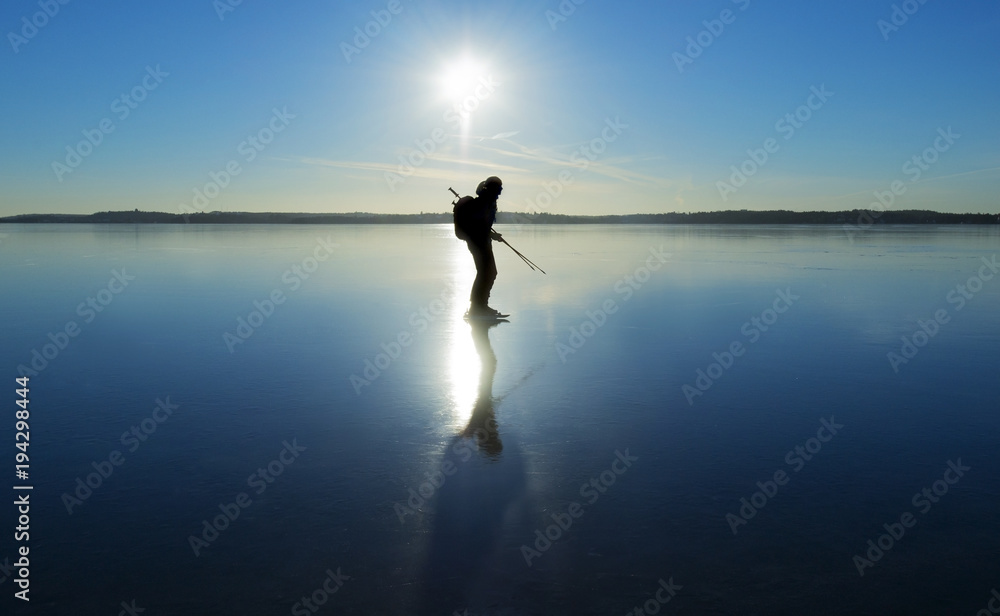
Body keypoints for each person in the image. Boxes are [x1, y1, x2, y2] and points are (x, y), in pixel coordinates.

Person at [457, 176, 504, 316]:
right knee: (486, 273)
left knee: (488, 273)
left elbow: (483, 227)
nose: (499, 193)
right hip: (477, 243)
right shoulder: (483, 202)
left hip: (483, 243)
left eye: (500, 189)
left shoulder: (489, 202)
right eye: (498, 189)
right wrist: (491, 235)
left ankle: (480, 305)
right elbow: (477, 227)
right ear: (491, 188)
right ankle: (477, 307)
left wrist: (492, 236)